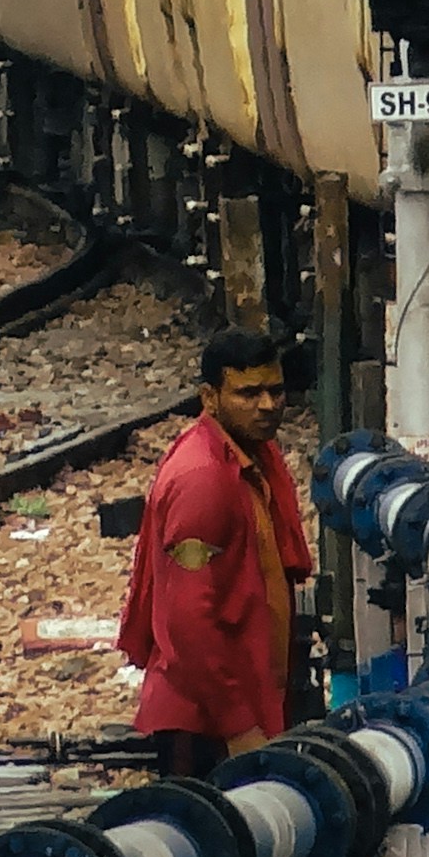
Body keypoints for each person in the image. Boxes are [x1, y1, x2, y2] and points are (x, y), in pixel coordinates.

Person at [118, 326, 311, 776]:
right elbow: (189, 621)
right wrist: (239, 727)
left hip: (233, 705)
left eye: (275, 390)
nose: (267, 405)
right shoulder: (204, 479)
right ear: (210, 397)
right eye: (248, 393)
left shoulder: (251, 456)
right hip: (205, 725)